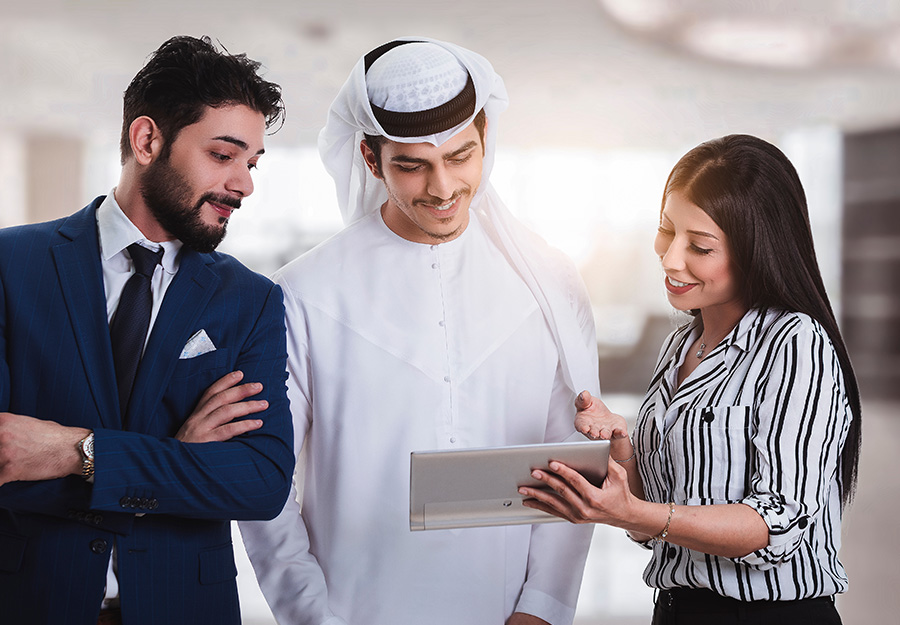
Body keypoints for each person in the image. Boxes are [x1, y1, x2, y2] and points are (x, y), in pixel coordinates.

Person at [239, 37, 600, 625]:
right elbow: (266, 485)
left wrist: (542, 608)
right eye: (412, 165)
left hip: (510, 610)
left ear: (486, 140)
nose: (442, 188)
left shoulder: (547, 281)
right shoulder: (301, 294)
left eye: (461, 157)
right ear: (368, 157)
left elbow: (573, 457)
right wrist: (311, 616)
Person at [0, 36, 294, 625]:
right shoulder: (12, 265)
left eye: (252, 163)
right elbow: (5, 455)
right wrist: (174, 460)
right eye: (223, 155)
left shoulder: (251, 300)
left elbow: (261, 482)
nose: (245, 184)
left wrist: (73, 453)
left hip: (184, 605)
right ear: (147, 139)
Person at [520, 134, 861, 625]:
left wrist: (632, 515)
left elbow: (777, 524)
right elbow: (662, 512)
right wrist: (623, 450)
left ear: (755, 249)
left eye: (699, 246)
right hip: (678, 610)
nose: (670, 258)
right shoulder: (681, 345)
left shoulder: (795, 343)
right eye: (666, 231)